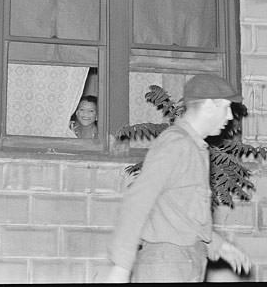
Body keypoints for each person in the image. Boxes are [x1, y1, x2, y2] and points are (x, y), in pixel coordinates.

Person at [103, 74, 252, 283]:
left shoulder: (195, 147)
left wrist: (218, 245)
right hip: (166, 264)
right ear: (209, 105)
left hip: (187, 261)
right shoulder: (175, 144)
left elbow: (183, 214)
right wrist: (121, 267)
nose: (229, 117)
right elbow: (138, 200)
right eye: (226, 107)